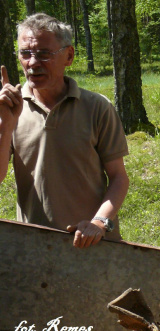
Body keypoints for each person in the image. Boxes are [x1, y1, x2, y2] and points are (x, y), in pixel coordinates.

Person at [0, 14, 129, 249]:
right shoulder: (10, 109)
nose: (32, 62)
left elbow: (119, 177)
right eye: (25, 53)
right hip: (34, 243)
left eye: (43, 54)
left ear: (68, 56)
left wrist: (99, 223)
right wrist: (6, 125)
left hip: (93, 243)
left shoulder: (97, 107)